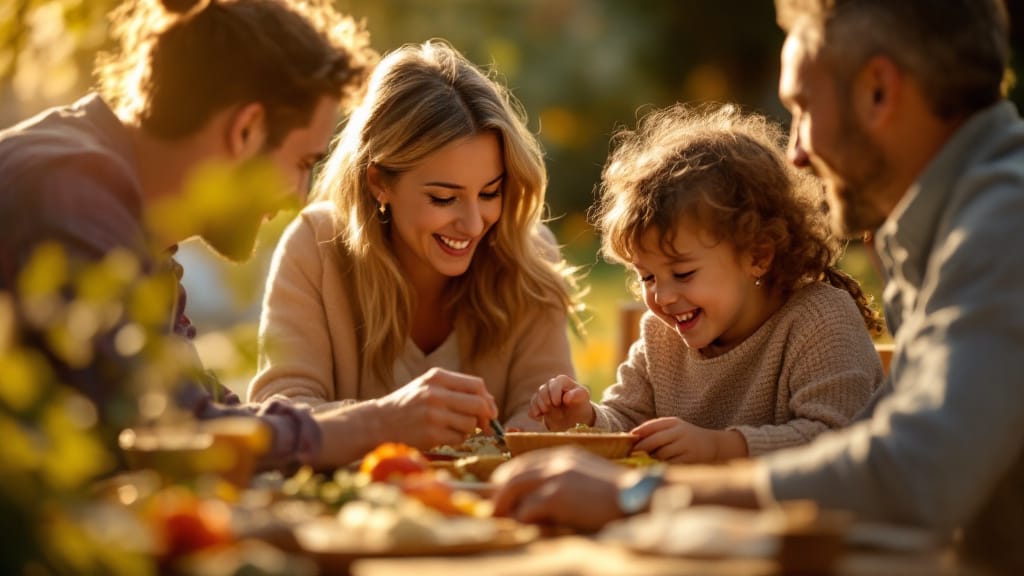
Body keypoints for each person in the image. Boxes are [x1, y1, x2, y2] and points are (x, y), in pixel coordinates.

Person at [493, 0, 1024, 571]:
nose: (795, 151)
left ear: (878, 91)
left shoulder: (1003, 227)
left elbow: (911, 472)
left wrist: (636, 498)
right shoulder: (956, 227)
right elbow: (872, 458)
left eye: (801, 106)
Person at [0, 0, 377, 470]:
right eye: (303, 163)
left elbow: (208, 411)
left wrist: (372, 422)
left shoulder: (133, 223)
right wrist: (373, 427)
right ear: (248, 129)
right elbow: (169, 433)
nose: (300, 199)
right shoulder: (70, 188)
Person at [247, 40, 582, 456]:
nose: (475, 224)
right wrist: (390, 421)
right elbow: (279, 418)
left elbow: (546, 422)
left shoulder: (528, 255)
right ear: (379, 183)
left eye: (490, 192)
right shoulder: (314, 247)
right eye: (444, 198)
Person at [528, 103, 883, 464]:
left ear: (758, 256)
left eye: (682, 273)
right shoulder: (660, 339)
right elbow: (626, 425)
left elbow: (839, 441)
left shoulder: (820, 321)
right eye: (647, 276)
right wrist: (585, 420)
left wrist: (720, 448)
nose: (663, 297)